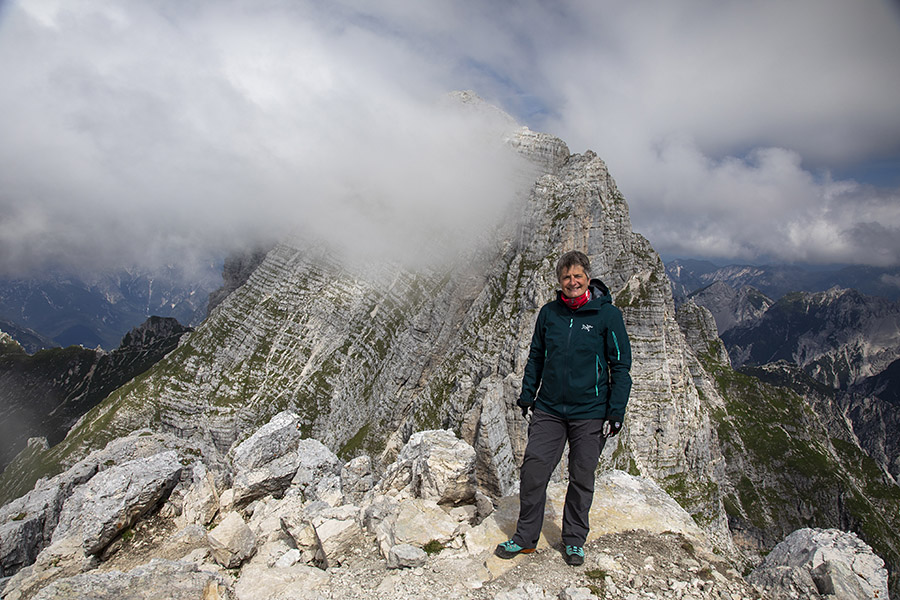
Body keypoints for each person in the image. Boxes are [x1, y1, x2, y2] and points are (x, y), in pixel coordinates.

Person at [495, 250, 633, 566]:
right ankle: (525, 538)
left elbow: (621, 365)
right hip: (550, 409)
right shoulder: (549, 313)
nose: (572, 282)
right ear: (560, 281)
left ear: (587, 278)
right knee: (533, 471)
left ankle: (573, 540)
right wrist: (527, 396)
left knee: (581, 476)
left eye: (578, 276)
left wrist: (616, 411)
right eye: (566, 277)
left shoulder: (607, 315)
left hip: (591, 411)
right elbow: (537, 357)